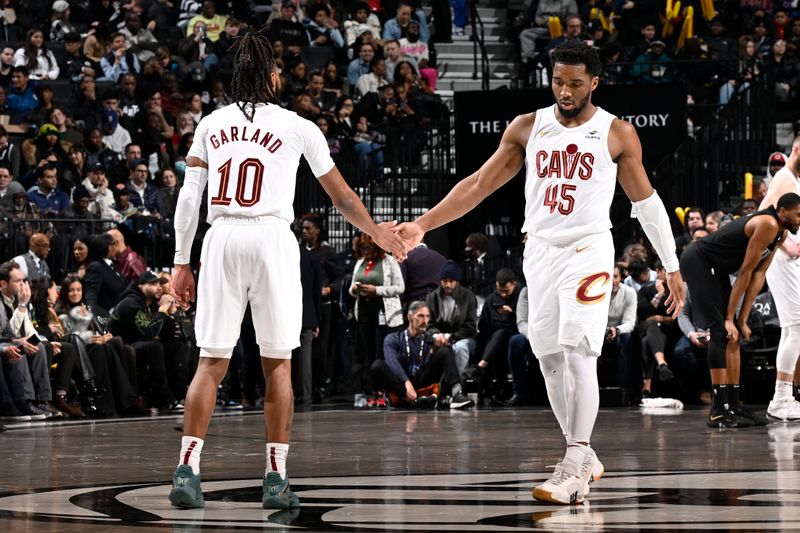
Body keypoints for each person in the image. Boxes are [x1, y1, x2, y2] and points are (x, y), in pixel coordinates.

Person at [392, 40, 685, 505]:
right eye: (557, 82)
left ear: (594, 82)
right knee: (547, 355)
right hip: (541, 251)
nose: (564, 91)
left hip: (588, 250)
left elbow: (646, 204)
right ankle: (582, 457)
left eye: (574, 83)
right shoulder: (528, 126)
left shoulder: (616, 133)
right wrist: (423, 224)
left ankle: (574, 460)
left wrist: (671, 265)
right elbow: (478, 184)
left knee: (577, 352)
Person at [167, 27, 407, 511]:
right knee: (277, 362)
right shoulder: (298, 126)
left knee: (211, 362)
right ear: (272, 77)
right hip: (273, 239)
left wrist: (180, 263)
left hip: (222, 237)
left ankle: (187, 470)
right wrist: (379, 234)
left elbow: (190, 196)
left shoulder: (211, 124)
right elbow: (340, 195)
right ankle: (275, 479)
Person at [681, 192, 800, 428]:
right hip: (698, 260)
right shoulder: (768, 223)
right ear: (783, 211)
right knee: (720, 330)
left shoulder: (781, 232)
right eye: (798, 214)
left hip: (717, 268)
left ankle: (733, 404)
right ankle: (718, 410)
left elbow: (758, 274)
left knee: (734, 331)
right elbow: (745, 271)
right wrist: (727, 317)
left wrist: (741, 319)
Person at [759, 136, 800, 421]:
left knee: (792, 328)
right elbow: (765, 213)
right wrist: (785, 244)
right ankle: (781, 398)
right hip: (782, 258)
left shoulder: (792, 179)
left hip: (786, 259)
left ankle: (783, 397)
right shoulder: (785, 177)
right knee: (796, 326)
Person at [371, 301, 474, 408]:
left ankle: (457, 393)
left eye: (427, 316)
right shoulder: (393, 338)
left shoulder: (428, 339)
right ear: (410, 317)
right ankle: (410, 399)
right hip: (401, 385)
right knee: (378, 365)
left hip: (421, 380)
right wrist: (406, 382)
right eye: (420, 316)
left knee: (445, 351)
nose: (425, 321)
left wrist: (433, 351)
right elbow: (392, 361)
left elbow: (424, 367)